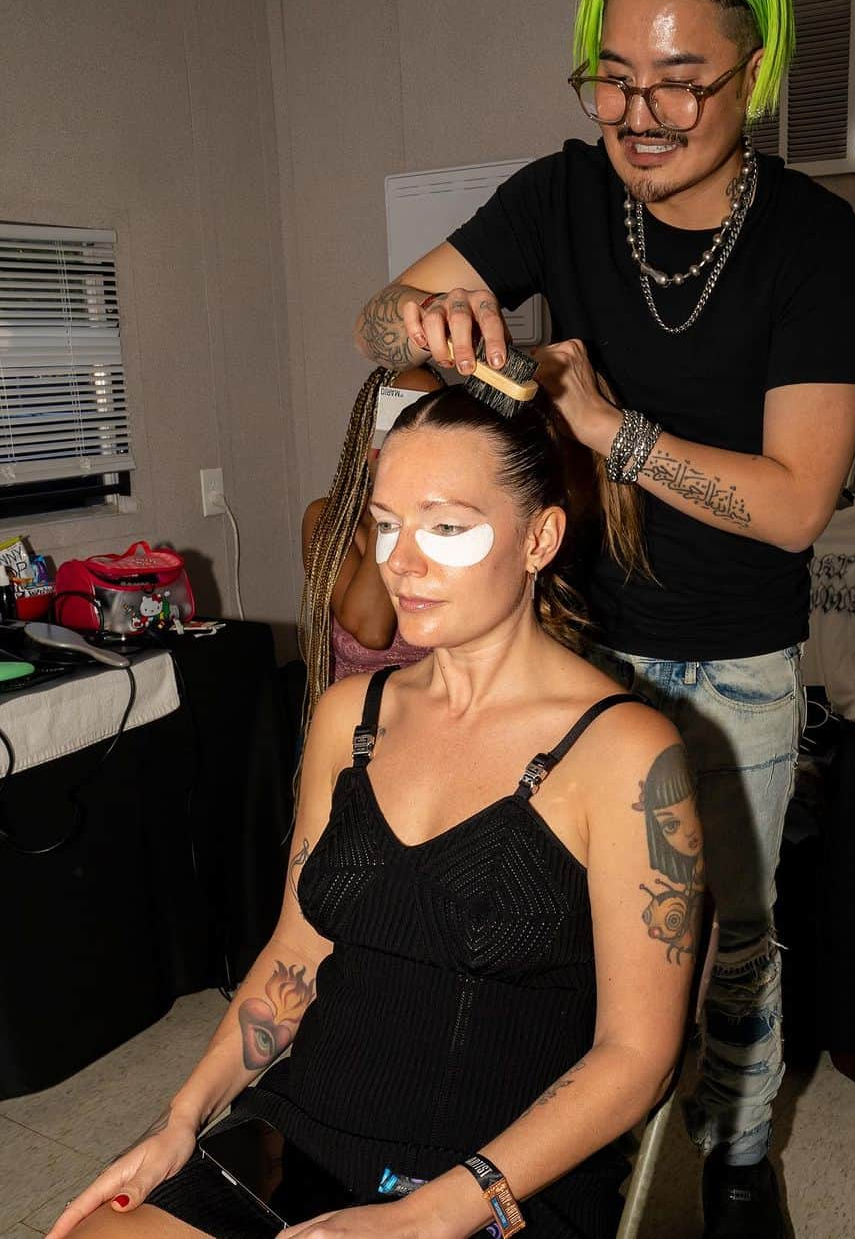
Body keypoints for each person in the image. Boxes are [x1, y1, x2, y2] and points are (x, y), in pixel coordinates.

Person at [351, 0, 855, 1237]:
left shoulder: (820, 247)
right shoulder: (561, 194)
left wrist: (610, 432)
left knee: (728, 942)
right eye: (612, 80)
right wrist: (428, 321)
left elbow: (794, 505)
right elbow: (376, 318)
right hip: (573, 640)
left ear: (749, 72)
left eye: (680, 81)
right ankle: (571, 1157)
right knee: (565, 937)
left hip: (732, 662)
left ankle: (740, 1157)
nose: (640, 115)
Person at [48, 384, 704, 1239]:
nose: (401, 562)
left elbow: (638, 1056)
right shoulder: (346, 718)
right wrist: (180, 1118)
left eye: (446, 527)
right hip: (304, 1126)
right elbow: (297, 949)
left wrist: (435, 1213)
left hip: (499, 1176)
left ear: (540, 537)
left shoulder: (626, 753)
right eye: (388, 525)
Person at [300, 365, 442, 714]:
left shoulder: (454, 526)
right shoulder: (328, 519)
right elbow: (372, 631)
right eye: (398, 417)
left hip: (438, 722)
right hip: (357, 728)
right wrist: (390, 501)